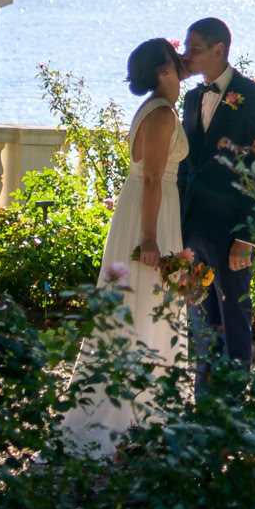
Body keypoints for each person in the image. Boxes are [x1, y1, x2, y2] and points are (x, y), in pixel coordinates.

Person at [57, 37, 192, 456]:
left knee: (144, 305)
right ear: (162, 70)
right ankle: (135, 414)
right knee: (146, 301)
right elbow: (153, 178)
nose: (184, 61)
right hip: (149, 215)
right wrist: (150, 239)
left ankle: (145, 409)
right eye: (175, 57)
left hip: (149, 208)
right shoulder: (161, 114)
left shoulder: (156, 110)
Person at [177, 17, 255, 381]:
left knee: (234, 313)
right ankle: (206, 396)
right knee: (200, 314)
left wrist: (248, 237)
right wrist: (177, 229)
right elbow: (186, 167)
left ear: (219, 50)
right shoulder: (190, 99)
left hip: (232, 228)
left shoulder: (253, 99)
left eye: (194, 48)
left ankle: (234, 397)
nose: (186, 56)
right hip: (192, 227)